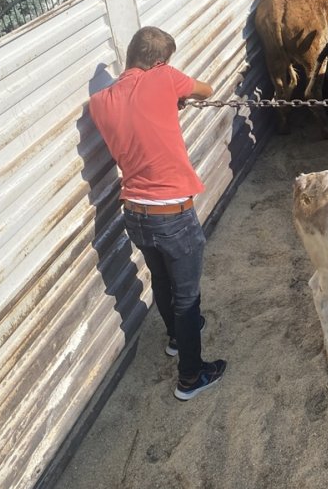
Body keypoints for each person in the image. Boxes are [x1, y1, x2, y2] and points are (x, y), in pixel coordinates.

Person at [88, 25, 226, 401]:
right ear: (161, 61)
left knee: (162, 281)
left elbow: (136, 119)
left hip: (134, 213)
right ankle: (191, 377)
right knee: (187, 297)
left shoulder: (100, 102)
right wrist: (174, 94)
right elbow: (206, 89)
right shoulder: (164, 78)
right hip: (173, 214)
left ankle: (175, 340)